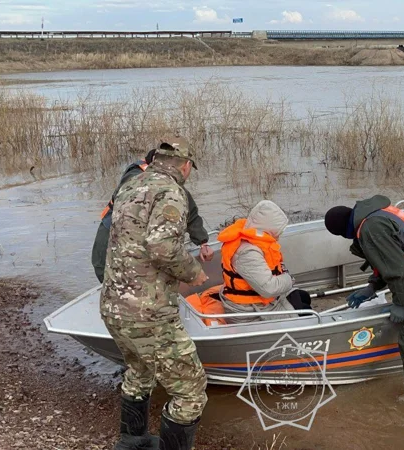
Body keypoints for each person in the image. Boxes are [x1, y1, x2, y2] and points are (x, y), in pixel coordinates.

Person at [101, 136, 209, 450]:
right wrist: (193, 272)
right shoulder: (172, 191)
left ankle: (132, 442)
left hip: (113, 304)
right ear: (186, 167)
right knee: (190, 391)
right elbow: (163, 248)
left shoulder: (131, 185)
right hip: (148, 313)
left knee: (140, 369)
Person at [324, 195, 404, 399]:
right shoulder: (373, 215)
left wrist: (400, 304)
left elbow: (399, 272)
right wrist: (372, 287)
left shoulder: (369, 230)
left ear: (343, 233)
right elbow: (391, 259)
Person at [91, 149, 213, 283]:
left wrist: (203, 242)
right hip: (109, 241)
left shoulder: (169, 185)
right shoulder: (136, 178)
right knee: (113, 279)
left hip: (133, 248)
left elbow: (190, 211)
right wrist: (193, 273)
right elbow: (162, 247)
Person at [217, 200, 312, 324]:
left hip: (261, 300)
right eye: (278, 231)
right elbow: (269, 289)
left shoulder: (254, 242)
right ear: (268, 228)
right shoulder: (247, 253)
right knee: (308, 316)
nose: (279, 235)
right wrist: (289, 279)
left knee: (303, 296)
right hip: (251, 310)